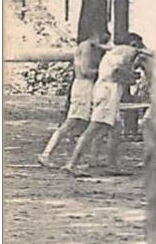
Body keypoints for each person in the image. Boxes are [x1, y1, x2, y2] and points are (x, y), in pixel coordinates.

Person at [64, 34, 151, 175]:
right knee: (93, 128)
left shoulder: (114, 51)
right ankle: (72, 163)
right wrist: (131, 77)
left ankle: (112, 165)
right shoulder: (129, 50)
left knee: (116, 129)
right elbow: (116, 72)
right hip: (108, 92)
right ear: (135, 43)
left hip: (108, 91)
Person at [39, 29, 110, 167]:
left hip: (87, 87)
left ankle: (89, 158)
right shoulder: (87, 47)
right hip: (83, 87)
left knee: (88, 123)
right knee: (72, 121)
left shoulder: (91, 47)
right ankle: (46, 154)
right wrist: (106, 72)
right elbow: (85, 71)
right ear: (96, 33)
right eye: (104, 38)